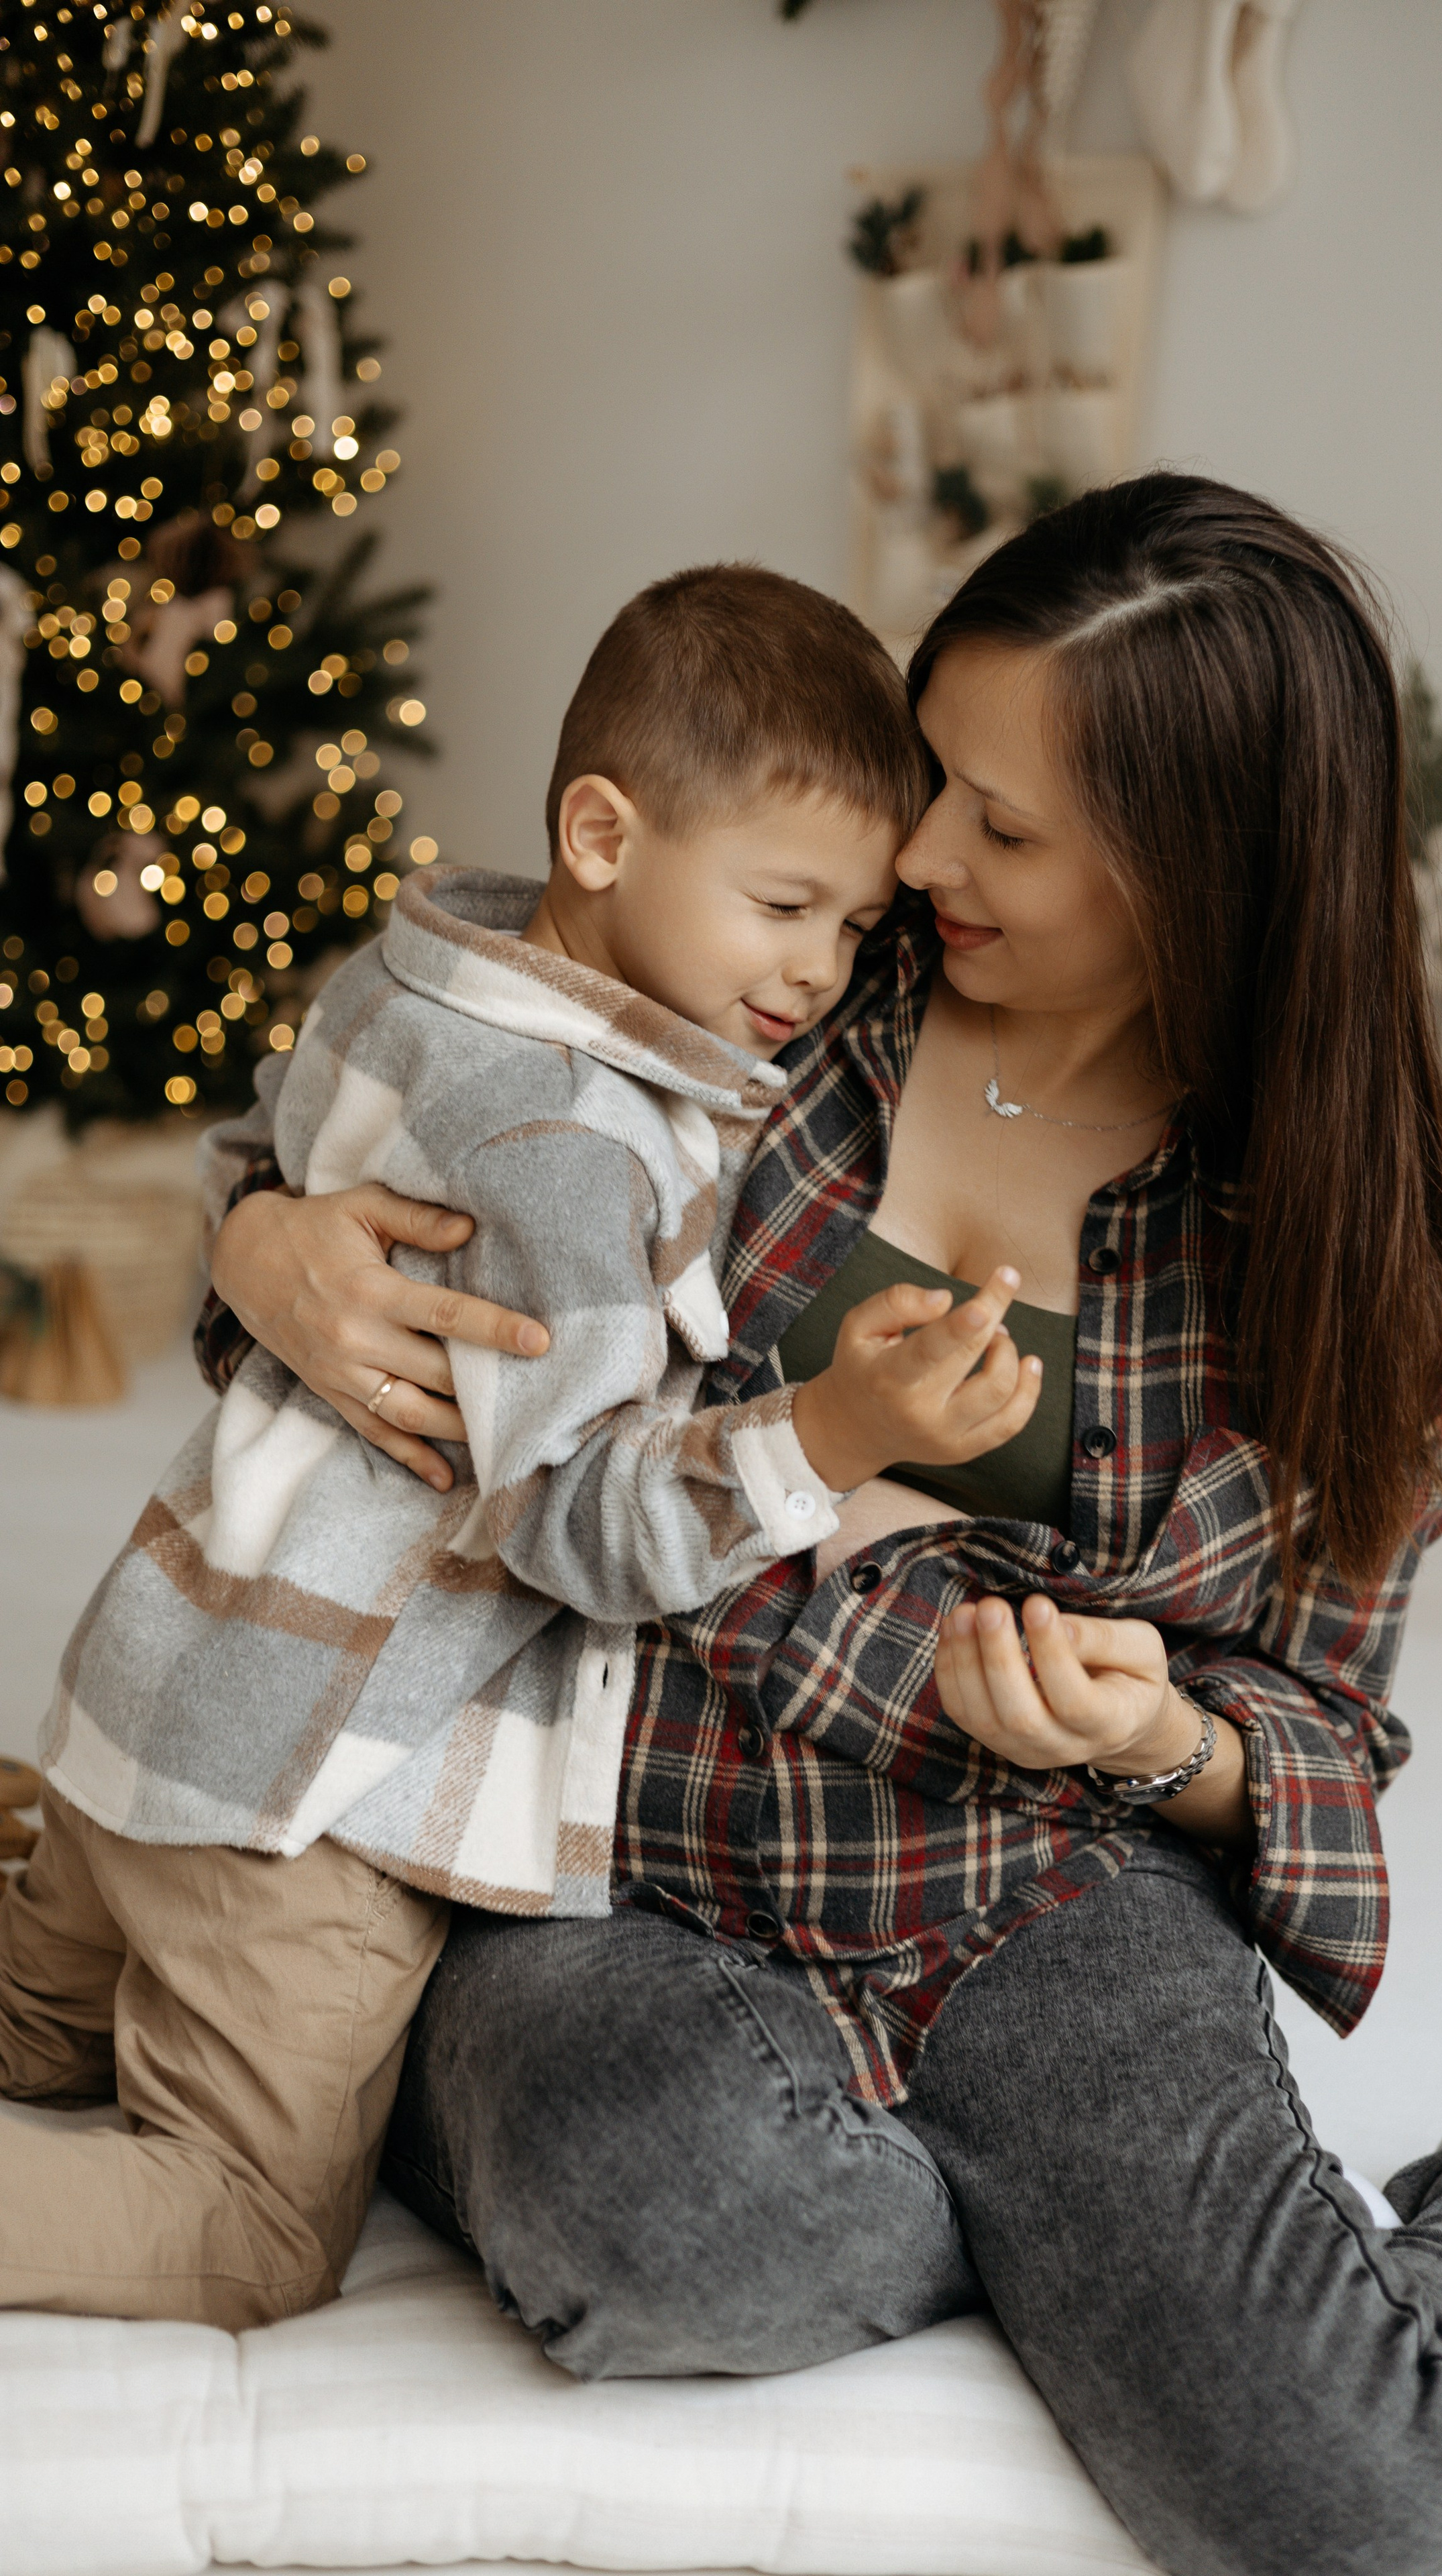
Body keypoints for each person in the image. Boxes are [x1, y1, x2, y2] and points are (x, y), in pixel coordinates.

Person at [195, 477, 1442, 2576]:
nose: (919, 859)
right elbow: (448, 1026)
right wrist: (262, 1239)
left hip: (1045, 1879)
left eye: (1004, 832)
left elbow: (1327, 1728)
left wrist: (1160, 1745)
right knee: (661, 2223)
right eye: (937, 781)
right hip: (628, 1824)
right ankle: (1111, 2268)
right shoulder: (786, 960)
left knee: (1350, 2495)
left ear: (1204, 876)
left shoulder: (1345, 1257)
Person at [0, 564, 1046, 2333]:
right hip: (301, 1795)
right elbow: (572, 1522)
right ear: (600, 832)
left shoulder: (410, 972)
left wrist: (256, 1237)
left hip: (152, 1688)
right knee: (249, 2232)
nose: (816, 968)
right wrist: (824, 1432)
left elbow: (257, 1149)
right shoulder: (582, 1154)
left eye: (854, 929)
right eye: (785, 905)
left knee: (38, 2025)